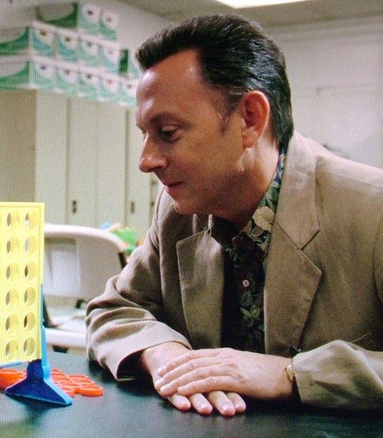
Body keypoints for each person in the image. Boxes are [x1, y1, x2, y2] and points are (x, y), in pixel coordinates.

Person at [86, 14, 383, 417]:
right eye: (145, 133)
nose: (146, 161)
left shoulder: (373, 209)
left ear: (250, 119)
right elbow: (114, 308)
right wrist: (162, 353)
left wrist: (291, 375)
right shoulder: (178, 211)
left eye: (168, 132)